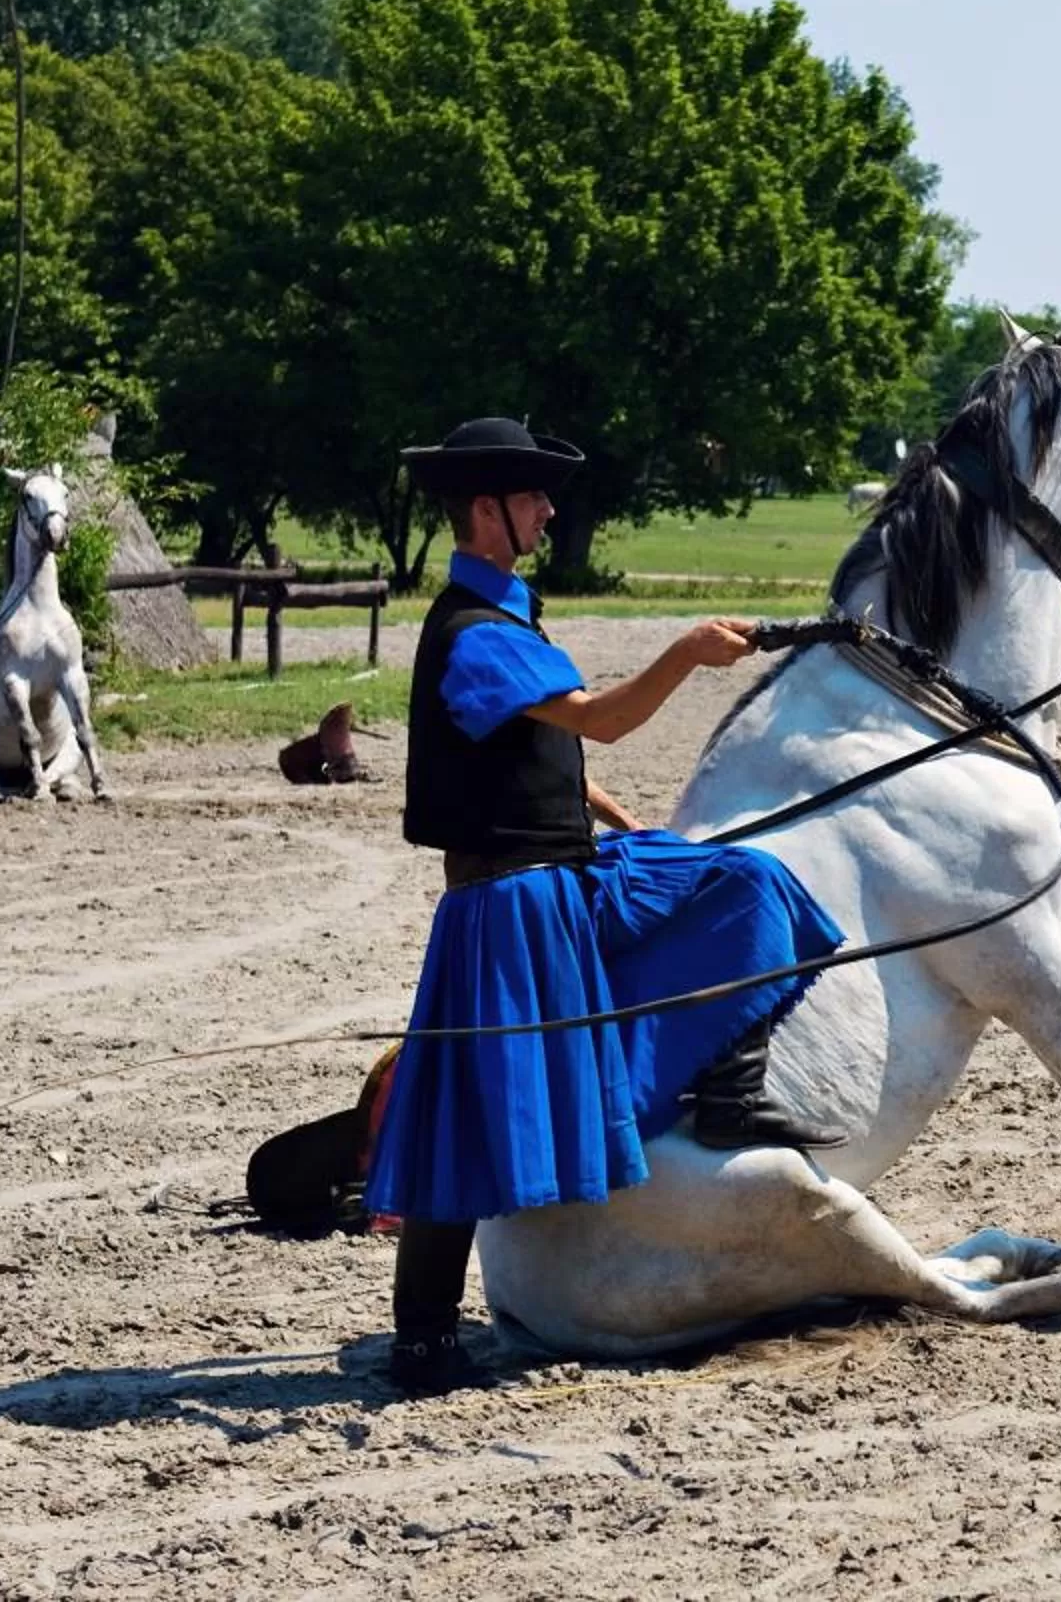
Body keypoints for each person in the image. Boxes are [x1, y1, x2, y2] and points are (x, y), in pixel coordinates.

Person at [367, 416, 849, 1394]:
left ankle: (725, 1089)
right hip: (507, 909)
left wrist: (606, 812)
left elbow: (531, 751)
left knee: (740, 879)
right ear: (487, 509)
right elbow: (603, 719)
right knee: (464, 1116)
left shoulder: (503, 620)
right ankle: (422, 1335)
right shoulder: (473, 635)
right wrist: (687, 654)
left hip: (559, 875)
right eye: (534, 495)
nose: (550, 508)